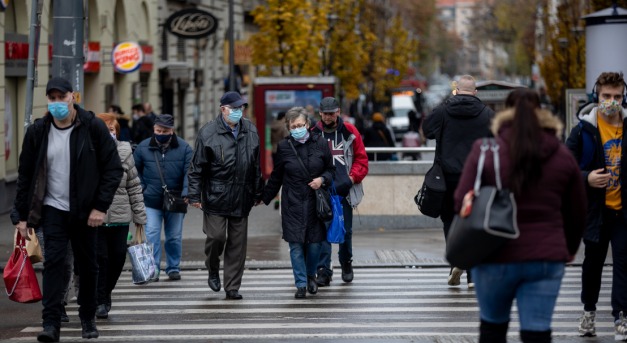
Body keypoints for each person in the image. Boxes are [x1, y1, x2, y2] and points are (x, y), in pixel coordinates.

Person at [455, 88, 586, 343]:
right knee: (537, 331)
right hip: (545, 257)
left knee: (492, 328)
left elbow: (461, 200)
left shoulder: (485, 151)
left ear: (505, 112)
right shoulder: (561, 156)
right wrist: (568, 249)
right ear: (541, 113)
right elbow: (577, 211)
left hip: (494, 254)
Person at [12, 76, 123, 342]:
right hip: (53, 209)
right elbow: (25, 175)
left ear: (72, 97)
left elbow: (113, 169)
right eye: (52, 98)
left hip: (86, 212)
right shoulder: (38, 131)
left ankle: (87, 319)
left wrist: (100, 207)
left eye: (61, 97)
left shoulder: (92, 126)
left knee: (88, 265)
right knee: (55, 265)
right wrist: (21, 216)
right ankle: (50, 324)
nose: (57, 103)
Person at [565, 71, 627, 340]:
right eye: (606, 96)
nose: (611, 101)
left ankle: (621, 316)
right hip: (595, 212)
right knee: (593, 265)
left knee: (624, 265)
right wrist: (586, 178)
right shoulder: (583, 130)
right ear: (596, 96)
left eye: (617, 97)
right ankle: (588, 311)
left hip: (623, 212)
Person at [187, 91, 264, 300]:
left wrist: (258, 192)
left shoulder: (250, 130)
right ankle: (212, 267)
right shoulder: (208, 132)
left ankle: (232, 287)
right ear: (223, 109)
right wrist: (194, 195)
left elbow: (256, 165)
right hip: (215, 195)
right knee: (216, 236)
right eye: (235, 108)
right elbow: (196, 168)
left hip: (242, 194)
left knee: (237, 245)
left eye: (241, 108)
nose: (239, 112)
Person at [422, 74, 494, 288]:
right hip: (476, 177)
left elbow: (426, 130)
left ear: (456, 90)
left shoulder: (444, 110)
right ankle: (472, 274)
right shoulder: (487, 114)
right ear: (475, 93)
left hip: (447, 177)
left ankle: (455, 261)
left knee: (450, 221)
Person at [261, 107, 335, 298]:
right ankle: (301, 284)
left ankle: (311, 274)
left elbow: (331, 170)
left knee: (314, 245)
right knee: (295, 245)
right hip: (292, 203)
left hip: (315, 204)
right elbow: (277, 176)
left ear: (308, 125)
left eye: (301, 125)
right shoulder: (284, 147)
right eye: (294, 126)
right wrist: (264, 197)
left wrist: (322, 180)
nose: (298, 129)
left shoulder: (321, 143)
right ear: (288, 128)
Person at [93, 113, 146, 319]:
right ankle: (100, 300)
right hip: (95, 218)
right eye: (104, 130)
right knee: (101, 259)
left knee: (117, 258)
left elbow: (134, 185)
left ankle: (106, 292)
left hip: (120, 216)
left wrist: (139, 215)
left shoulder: (125, 152)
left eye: (112, 130)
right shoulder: (88, 151)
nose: (108, 134)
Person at [313, 97, 369, 286]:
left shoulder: (349, 132)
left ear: (338, 112)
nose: (328, 117)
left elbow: (361, 159)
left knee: (346, 230)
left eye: (332, 113)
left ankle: (346, 262)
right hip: (322, 189)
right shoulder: (314, 133)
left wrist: (351, 179)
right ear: (320, 113)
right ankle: (324, 270)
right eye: (325, 113)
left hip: (344, 190)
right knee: (323, 230)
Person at [133, 114, 193, 281]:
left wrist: (186, 192)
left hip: (175, 200)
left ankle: (173, 267)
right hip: (151, 199)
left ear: (172, 131)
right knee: (152, 233)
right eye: (158, 130)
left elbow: (190, 173)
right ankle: (153, 269)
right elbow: (134, 171)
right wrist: (143, 188)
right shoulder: (143, 147)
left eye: (165, 131)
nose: (161, 133)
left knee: (174, 236)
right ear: (154, 129)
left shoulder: (185, 148)